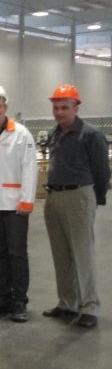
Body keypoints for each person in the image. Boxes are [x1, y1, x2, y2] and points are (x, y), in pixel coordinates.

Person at [42, 84, 110, 329]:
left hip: (78, 195)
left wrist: (95, 199)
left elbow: (102, 171)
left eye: (64, 107)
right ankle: (67, 302)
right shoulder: (55, 133)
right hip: (54, 196)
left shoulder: (91, 135)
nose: (59, 112)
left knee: (82, 253)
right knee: (60, 253)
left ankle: (89, 305)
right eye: (56, 107)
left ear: (76, 108)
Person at [0, 86, 38, 323]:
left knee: (17, 253)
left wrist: (27, 200)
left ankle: (20, 300)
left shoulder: (21, 134)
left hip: (15, 205)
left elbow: (30, 168)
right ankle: (4, 298)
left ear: (5, 107)